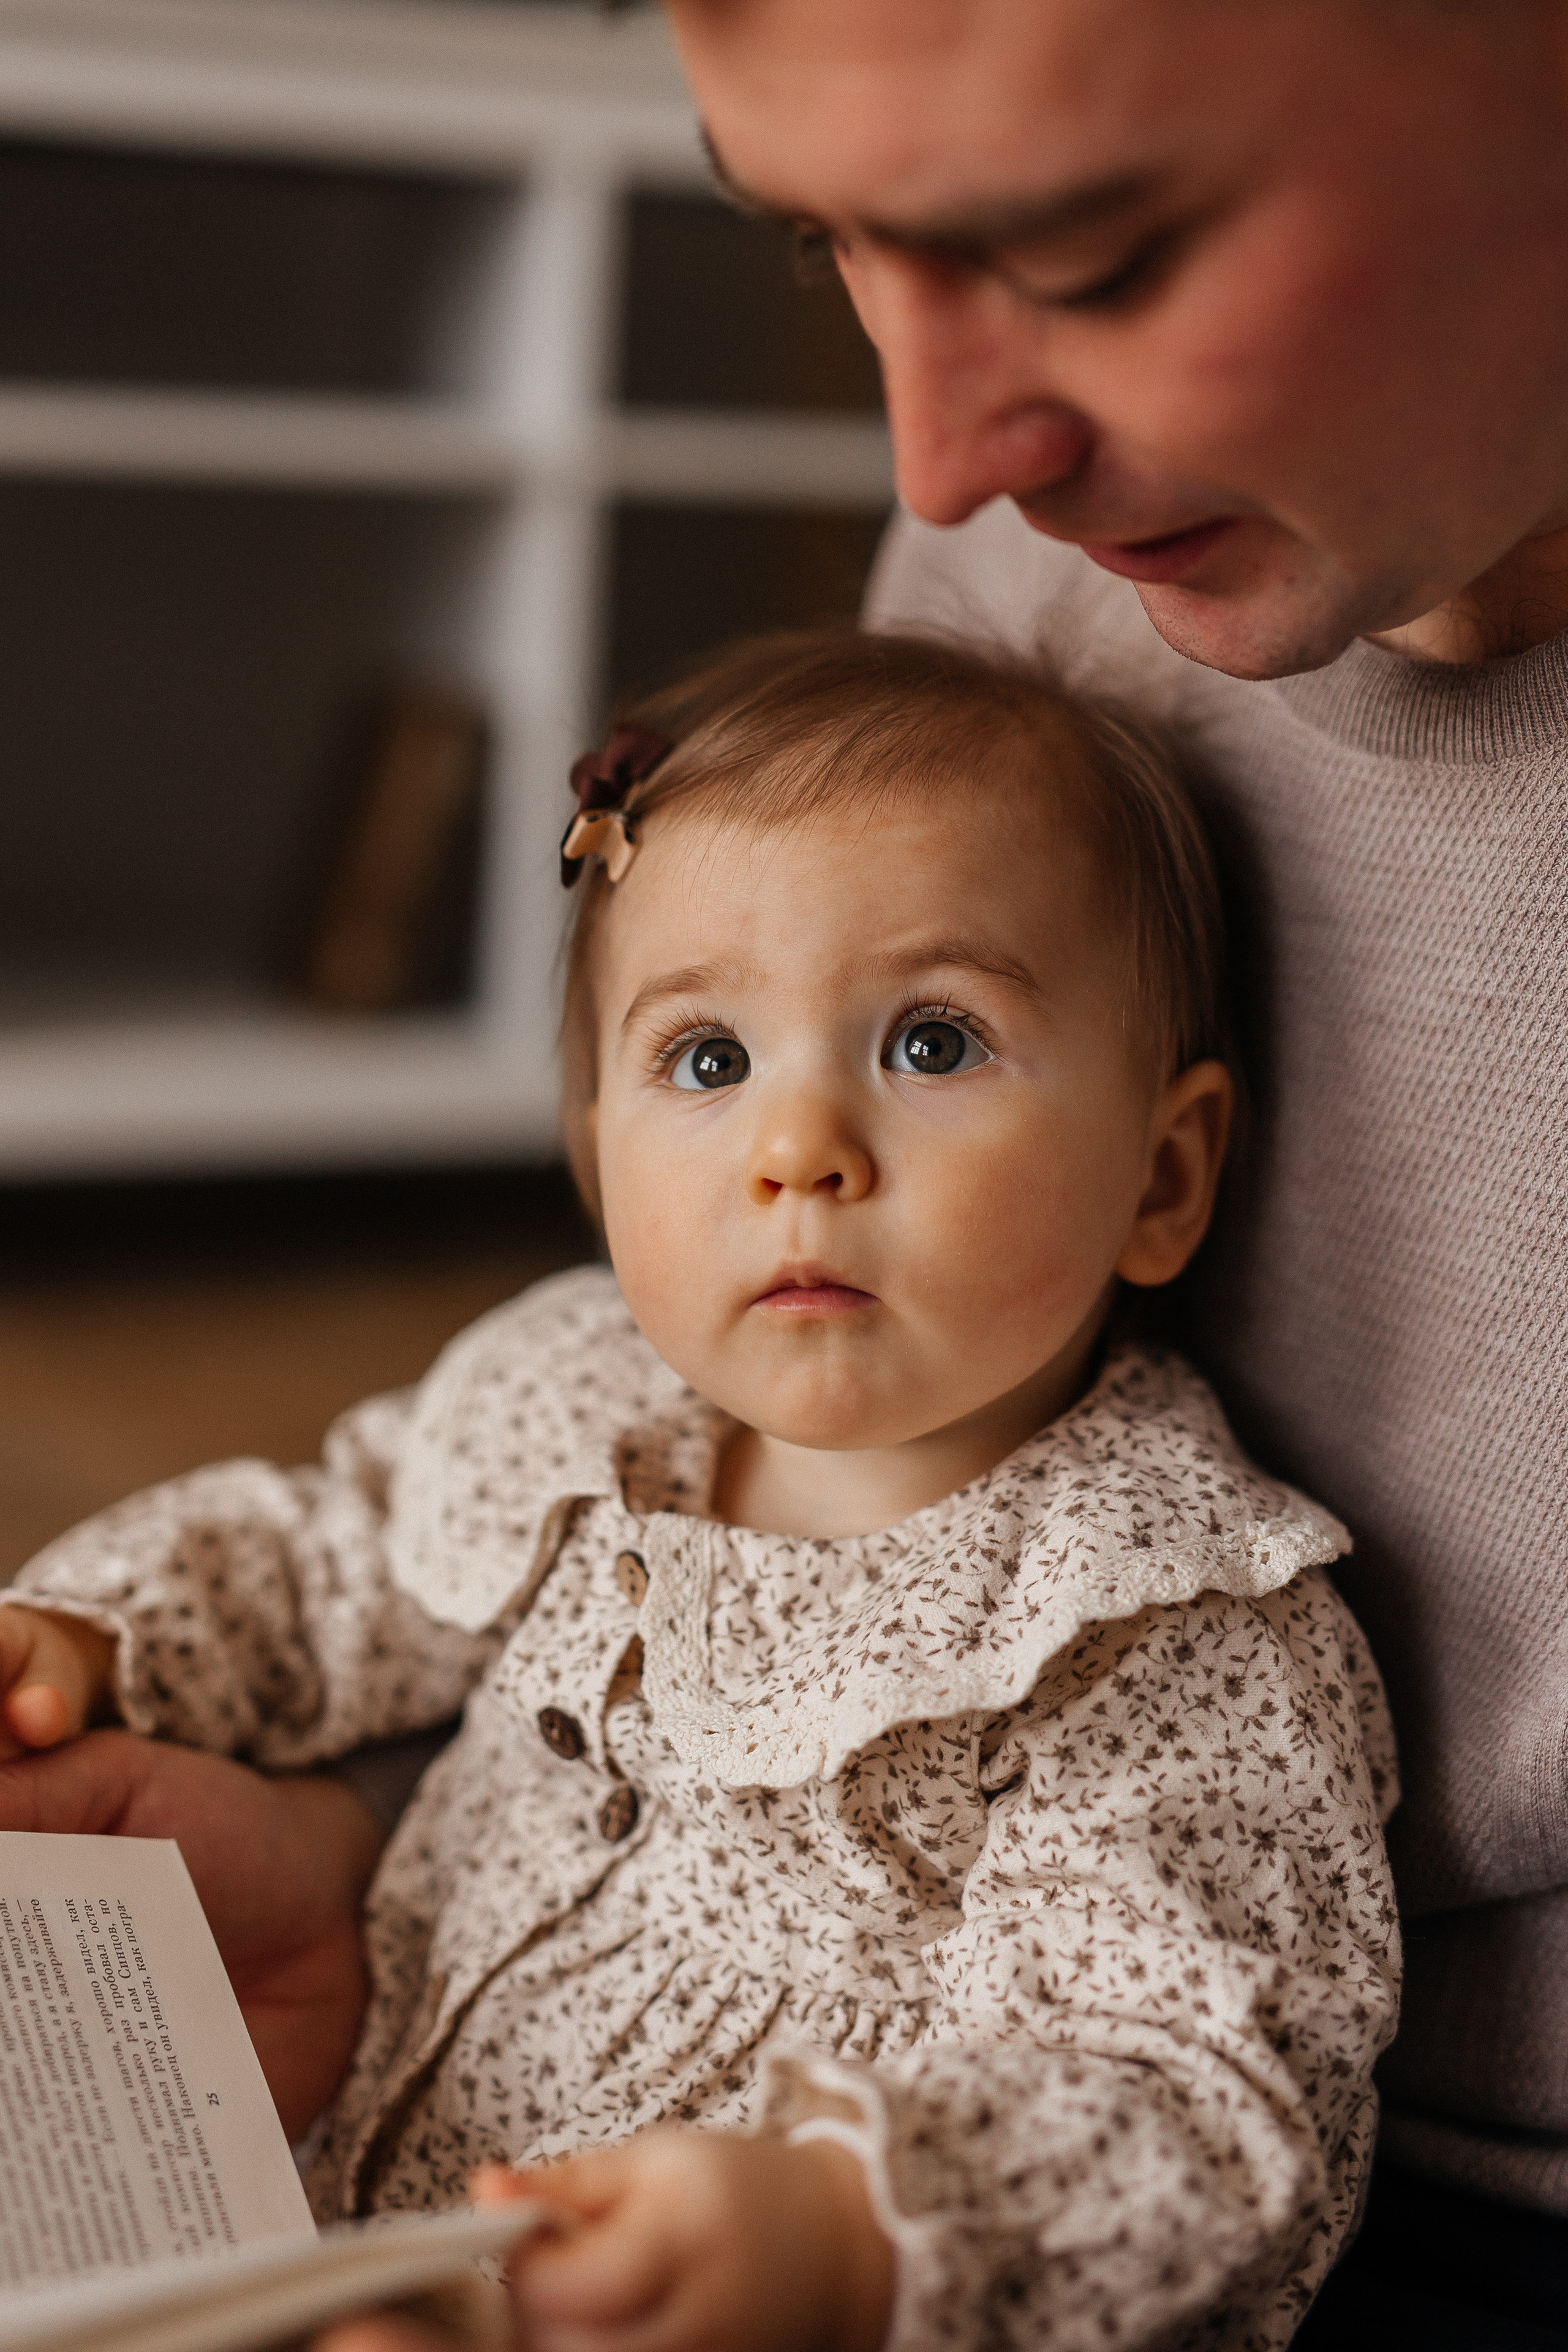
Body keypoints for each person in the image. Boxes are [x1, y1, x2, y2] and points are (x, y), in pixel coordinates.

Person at [0, 631, 1398, 2352]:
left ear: (1163, 1177)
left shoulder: (1157, 1624)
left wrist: (841, 2236)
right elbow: (326, 1552)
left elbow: (1187, 2092)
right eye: (710, 1061)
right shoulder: (586, 1405)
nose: (797, 1149)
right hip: (348, 2213)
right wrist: (98, 1638)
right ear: (600, 1159)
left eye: (933, 1042)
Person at [646, 1, 1568, 2341]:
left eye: (1089, 255)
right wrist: (354, 1838)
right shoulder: (1043, 597)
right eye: (832, 246)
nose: (946, 461)